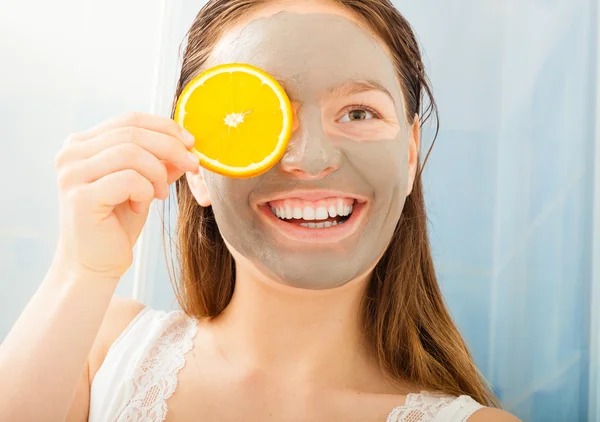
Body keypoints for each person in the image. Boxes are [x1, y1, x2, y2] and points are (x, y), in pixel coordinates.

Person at [0, 0, 522, 421]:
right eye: (254, 117)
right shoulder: (98, 353)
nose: (312, 159)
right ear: (198, 168)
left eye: (358, 112)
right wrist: (81, 270)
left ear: (410, 155)